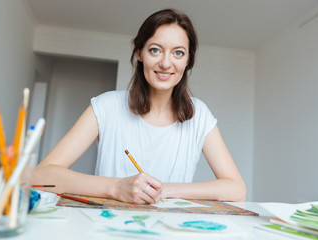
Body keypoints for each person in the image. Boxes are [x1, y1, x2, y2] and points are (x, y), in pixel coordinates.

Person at [31, 8, 246, 204]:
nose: (166, 63)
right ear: (139, 54)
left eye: (178, 52)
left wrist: (165, 190)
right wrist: (116, 187)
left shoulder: (200, 116)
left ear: (188, 60)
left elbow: (237, 190)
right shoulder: (106, 106)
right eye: (155, 50)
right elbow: (42, 176)